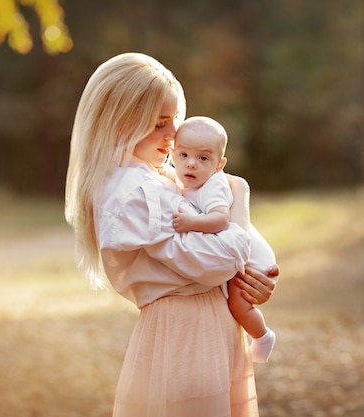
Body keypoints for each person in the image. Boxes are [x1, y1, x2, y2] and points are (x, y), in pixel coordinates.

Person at [64, 52, 279, 417]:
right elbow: (221, 260)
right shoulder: (136, 191)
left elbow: (225, 255)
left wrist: (256, 275)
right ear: (120, 122)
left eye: (174, 120)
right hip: (187, 333)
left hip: (203, 324)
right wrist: (239, 198)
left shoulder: (153, 178)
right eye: (159, 123)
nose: (173, 135)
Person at [169, 116, 276, 364]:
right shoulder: (187, 182)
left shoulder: (213, 186)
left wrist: (191, 223)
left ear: (220, 164)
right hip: (238, 254)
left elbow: (219, 219)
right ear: (173, 154)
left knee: (238, 307)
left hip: (255, 262)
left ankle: (262, 336)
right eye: (183, 155)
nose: (191, 164)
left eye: (203, 158)